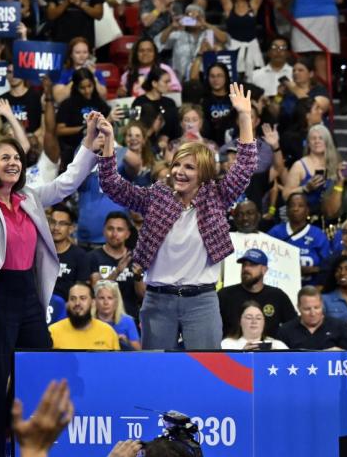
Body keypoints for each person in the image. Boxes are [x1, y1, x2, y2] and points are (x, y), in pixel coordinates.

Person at [0, 114, 99, 457]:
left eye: (16, 158)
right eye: (4, 157)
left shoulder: (31, 198)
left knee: (36, 377)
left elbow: (69, 181)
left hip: (27, 298)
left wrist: (88, 141)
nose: (12, 163)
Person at [95, 84, 256, 349]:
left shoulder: (216, 196)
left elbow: (246, 165)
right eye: (177, 165)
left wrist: (244, 117)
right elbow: (113, 185)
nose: (179, 171)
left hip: (201, 301)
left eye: (189, 167)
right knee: (155, 377)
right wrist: (110, 142)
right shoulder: (157, 196)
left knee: (206, 375)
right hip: (158, 301)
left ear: (203, 173)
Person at [278, 286, 347, 350]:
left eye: (316, 307)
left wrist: (340, 353)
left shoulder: (340, 327)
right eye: (307, 309)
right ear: (298, 307)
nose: (313, 313)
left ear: (322, 305)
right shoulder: (286, 330)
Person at [50, 282, 121, 349]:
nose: (77, 303)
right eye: (73, 299)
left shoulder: (108, 333)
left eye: (83, 298)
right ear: (67, 303)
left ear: (93, 302)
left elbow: (117, 361)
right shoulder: (53, 332)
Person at [221, 299, 290, 350]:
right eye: (249, 317)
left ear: (264, 322)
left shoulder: (278, 345)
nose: (254, 321)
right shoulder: (227, 345)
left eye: (258, 318)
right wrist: (242, 355)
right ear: (240, 321)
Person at [93, 279, 142, 349]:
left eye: (110, 298)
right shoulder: (88, 322)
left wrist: (126, 342)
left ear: (116, 301)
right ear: (95, 300)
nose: (106, 302)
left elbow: (139, 352)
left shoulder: (127, 321)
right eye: (101, 298)